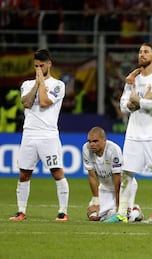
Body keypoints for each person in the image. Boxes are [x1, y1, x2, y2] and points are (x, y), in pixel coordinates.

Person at [104, 43, 152, 224]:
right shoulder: (132, 80)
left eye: (146, 52)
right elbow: (123, 106)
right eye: (140, 52)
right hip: (133, 135)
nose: (142, 54)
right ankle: (121, 214)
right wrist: (135, 96)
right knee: (127, 174)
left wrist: (137, 101)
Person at [9, 49, 69, 222]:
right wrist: (36, 83)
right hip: (29, 134)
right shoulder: (27, 84)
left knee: (57, 172)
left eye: (41, 65)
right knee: (24, 174)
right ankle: (21, 211)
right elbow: (27, 103)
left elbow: (43, 102)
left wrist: (42, 83)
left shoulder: (58, 85)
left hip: (48, 135)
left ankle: (63, 212)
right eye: (35, 66)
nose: (38, 68)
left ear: (49, 64)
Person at [83, 126, 141, 222]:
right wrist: (96, 201)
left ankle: (135, 212)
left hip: (124, 187)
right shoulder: (86, 149)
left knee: (121, 217)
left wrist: (119, 205)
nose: (91, 144)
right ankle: (123, 210)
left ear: (104, 140)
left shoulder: (113, 150)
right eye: (89, 141)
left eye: (95, 141)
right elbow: (92, 176)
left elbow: (117, 179)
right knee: (93, 216)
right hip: (105, 187)